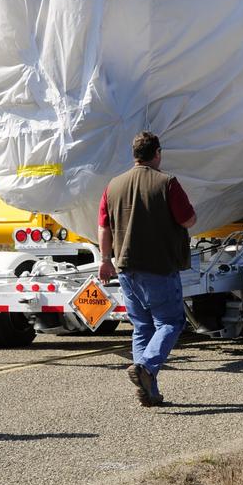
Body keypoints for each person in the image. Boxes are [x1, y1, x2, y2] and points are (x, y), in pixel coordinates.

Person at [98, 131, 197, 407]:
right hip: (159, 266)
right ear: (157, 153)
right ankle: (146, 367)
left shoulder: (113, 186)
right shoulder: (167, 183)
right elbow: (188, 220)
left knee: (141, 327)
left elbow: (103, 227)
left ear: (134, 155)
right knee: (171, 322)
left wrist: (105, 260)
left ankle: (148, 391)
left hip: (126, 267)